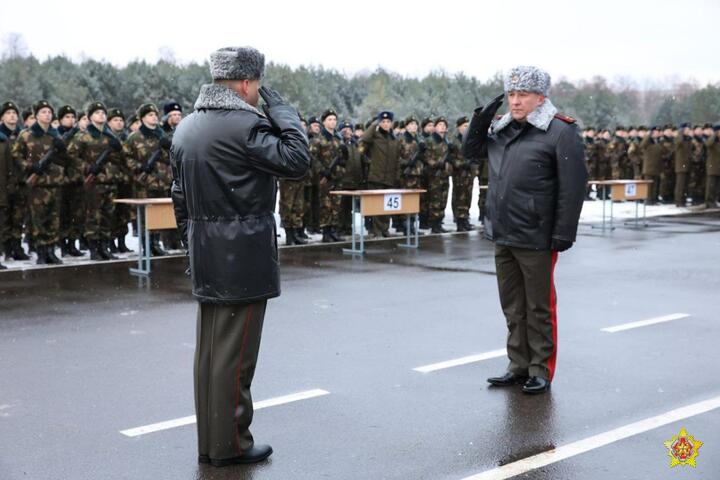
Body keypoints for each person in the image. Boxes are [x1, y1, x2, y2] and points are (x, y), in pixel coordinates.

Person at [171, 46, 310, 467]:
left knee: (210, 354)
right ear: (248, 84)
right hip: (242, 255)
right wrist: (283, 111)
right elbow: (297, 159)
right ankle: (231, 444)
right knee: (236, 359)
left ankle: (210, 442)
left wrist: (193, 243)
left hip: (207, 252)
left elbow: (179, 197)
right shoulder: (245, 127)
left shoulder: (188, 128)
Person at [463, 66, 587, 394]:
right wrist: (481, 118)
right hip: (503, 231)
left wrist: (564, 232)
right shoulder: (503, 130)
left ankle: (540, 367)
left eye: (523, 95)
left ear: (541, 97)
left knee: (538, 307)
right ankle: (518, 363)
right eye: (512, 95)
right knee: (512, 305)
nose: (515, 102)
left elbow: (572, 188)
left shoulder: (560, 131)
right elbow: (469, 153)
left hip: (537, 235)